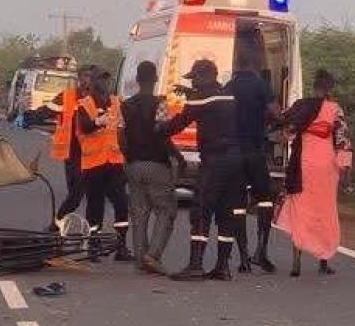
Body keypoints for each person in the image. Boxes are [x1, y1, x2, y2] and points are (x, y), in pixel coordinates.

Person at [158, 59, 244, 281]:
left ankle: (195, 265)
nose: (193, 82)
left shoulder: (201, 98)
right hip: (236, 161)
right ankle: (223, 267)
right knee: (227, 214)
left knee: (201, 210)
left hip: (215, 159)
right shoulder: (228, 95)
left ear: (205, 76)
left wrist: (157, 128)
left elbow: (178, 123)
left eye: (195, 78)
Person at [276, 69, 352, 276]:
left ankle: (296, 263)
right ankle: (324, 261)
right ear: (330, 88)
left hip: (303, 164)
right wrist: (345, 169)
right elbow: (343, 139)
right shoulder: (335, 109)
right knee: (325, 210)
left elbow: (287, 133)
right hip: (326, 166)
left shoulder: (301, 106)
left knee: (301, 209)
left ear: (314, 86)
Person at [121, 61, 187, 274]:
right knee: (166, 210)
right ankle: (153, 255)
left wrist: (127, 156)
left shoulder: (126, 105)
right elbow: (163, 133)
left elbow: (120, 135)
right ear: (156, 78)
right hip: (156, 164)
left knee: (139, 212)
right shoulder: (159, 104)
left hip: (133, 164)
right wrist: (178, 156)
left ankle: (140, 258)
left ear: (138, 80)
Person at [226, 45, 282, 273]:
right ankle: (261, 250)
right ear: (256, 62)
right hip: (254, 150)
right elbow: (276, 112)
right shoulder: (261, 85)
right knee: (265, 198)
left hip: (233, 151)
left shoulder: (229, 86)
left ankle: (243, 258)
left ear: (237, 63)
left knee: (237, 204)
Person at [76, 68, 132, 261]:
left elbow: (122, 131)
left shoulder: (116, 102)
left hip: (114, 162)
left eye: (107, 80)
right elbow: (85, 126)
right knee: (95, 205)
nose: (105, 84)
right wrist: (99, 121)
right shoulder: (84, 104)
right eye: (101, 79)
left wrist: (127, 155)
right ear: (92, 83)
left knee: (121, 203)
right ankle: (94, 245)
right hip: (93, 163)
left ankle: (121, 246)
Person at [50, 66, 95, 225]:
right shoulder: (67, 96)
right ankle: (58, 223)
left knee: (82, 195)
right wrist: (29, 117)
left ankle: (57, 225)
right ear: (79, 78)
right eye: (84, 76)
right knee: (74, 195)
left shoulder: (98, 99)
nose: (86, 80)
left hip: (91, 155)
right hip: (71, 153)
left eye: (89, 76)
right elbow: (48, 110)